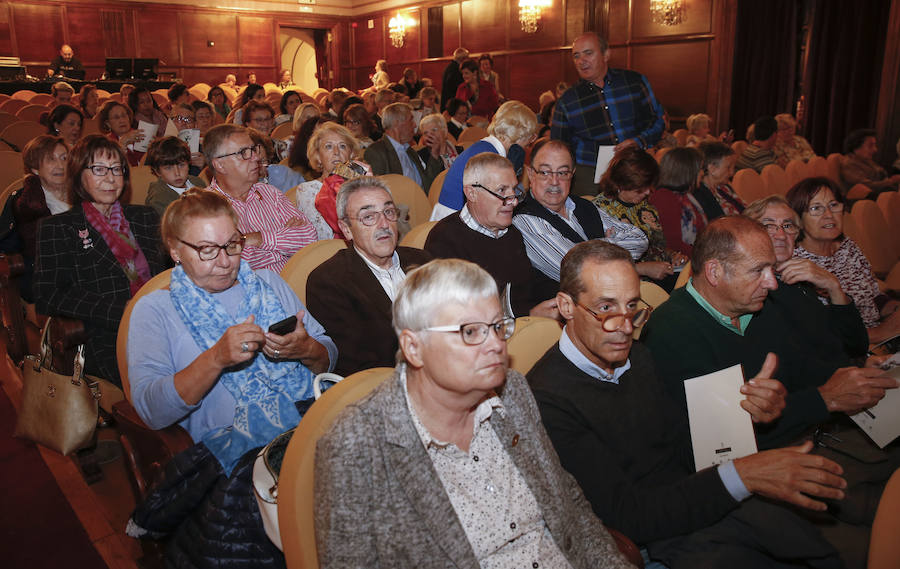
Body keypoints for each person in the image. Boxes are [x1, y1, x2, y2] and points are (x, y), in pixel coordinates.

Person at [528, 240, 849, 569]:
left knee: (816, 551)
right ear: (566, 306)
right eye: (606, 309)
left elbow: (682, 444)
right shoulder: (547, 398)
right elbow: (627, 516)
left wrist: (746, 414)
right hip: (653, 536)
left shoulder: (637, 355)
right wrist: (742, 475)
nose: (625, 326)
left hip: (697, 498)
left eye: (632, 307)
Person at [314, 257, 635, 569]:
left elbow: (567, 503)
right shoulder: (355, 444)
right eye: (470, 332)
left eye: (497, 326)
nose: (496, 344)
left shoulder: (514, 393)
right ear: (414, 347)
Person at [126, 188, 336, 568]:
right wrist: (215, 359)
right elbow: (152, 410)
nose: (224, 262)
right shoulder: (154, 309)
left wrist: (304, 349)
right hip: (235, 459)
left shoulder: (269, 284)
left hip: (309, 427)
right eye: (207, 250)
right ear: (175, 249)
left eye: (232, 245)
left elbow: (327, 355)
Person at [34, 135, 165, 385]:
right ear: (78, 175)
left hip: (162, 320)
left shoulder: (144, 217)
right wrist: (122, 311)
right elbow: (48, 294)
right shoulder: (59, 227)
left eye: (117, 169)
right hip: (107, 334)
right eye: (99, 169)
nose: (110, 178)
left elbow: (168, 271)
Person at [306, 177, 431, 375]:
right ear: (346, 229)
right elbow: (358, 367)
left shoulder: (423, 261)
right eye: (369, 217)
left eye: (388, 212)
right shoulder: (329, 282)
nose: (384, 224)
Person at [425, 153, 559, 318]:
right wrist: (529, 315)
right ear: (472, 193)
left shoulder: (511, 233)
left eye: (514, 190)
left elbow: (527, 286)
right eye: (502, 190)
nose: (514, 202)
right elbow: (460, 315)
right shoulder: (445, 240)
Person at [512, 139, 649, 293]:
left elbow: (639, 239)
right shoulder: (524, 219)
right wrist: (608, 241)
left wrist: (589, 248)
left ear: (572, 175)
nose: (555, 181)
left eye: (563, 173)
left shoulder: (584, 205)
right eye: (545, 172)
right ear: (531, 174)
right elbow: (575, 272)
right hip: (566, 311)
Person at [743, 195, 868, 362]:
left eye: (787, 226)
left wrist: (834, 288)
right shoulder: (751, 290)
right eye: (768, 226)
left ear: (796, 236)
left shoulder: (800, 281)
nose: (781, 235)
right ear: (746, 235)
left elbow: (856, 346)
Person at [788, 177, 900, 344]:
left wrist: (894, 308)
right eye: (816, 208)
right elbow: (819, 335)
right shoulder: (797, 265)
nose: (828, 215)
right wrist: (879, 333)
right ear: (798, 220)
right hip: (849, 351)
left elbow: (872, 297)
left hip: (880, 339)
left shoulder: (847, 247)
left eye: (833, 205)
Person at [552, 32, 665, 196]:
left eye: (588, 53)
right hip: (589, 175)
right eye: (576, 56)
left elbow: (658, 121)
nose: (581, 61)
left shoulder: (634, 82)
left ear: (606, 54)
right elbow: (559, 147)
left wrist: (638, 141)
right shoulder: (568, 100)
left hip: (634, 167)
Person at [204, 124, 315, 272]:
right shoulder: (204, 208)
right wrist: (283, 245)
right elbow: (233, 262)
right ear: (220, 165)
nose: (256, 157)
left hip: (294, 286)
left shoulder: (269, 192)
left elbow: (309, 236)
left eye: (254, 149)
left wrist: (258, 238)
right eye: (244, 152)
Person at [593, 146, 689, 289]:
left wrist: (672, 256)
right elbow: (597, 264)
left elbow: (657, 246)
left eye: (649, 187)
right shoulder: (599, 211)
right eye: (640, 189)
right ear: (621, 183)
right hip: (626, 284)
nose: (647, 192)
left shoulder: (645, 207)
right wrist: (643, 268)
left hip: (660, 276)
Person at [432, 100, 537, 220]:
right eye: (529, 138)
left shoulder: (486, 146)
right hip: (455, 223)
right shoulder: (490, 158)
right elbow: (498, 207)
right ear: (521, 134)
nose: (528, 144)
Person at [10, 135, 72, 301]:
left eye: (64, 158)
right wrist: (31, 181)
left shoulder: (82, 192)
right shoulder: (28, 200)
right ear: (35, 168)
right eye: (51, 159)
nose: (60, 165)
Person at [295, 122, 366, 240]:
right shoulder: (308, 190)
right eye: (328, 146)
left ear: (351, 154)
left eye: (342, 146)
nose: (336, 152)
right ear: (318, 156)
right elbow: (324, 236)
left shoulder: (362, 185)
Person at [364, 102, 444, 192]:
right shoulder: (377, 152)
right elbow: (375, 191)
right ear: (397, 123)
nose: (414, 125)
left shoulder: (410, 151)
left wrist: (434, 154)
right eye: (411, 120)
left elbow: (428, 185)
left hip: (422, 202)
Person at [648, 146, 707, 256]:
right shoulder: (664, 198)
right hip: (681, 264)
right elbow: (673, 245)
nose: (702, 173)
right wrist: (706, 255)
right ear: (687, 172)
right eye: (700, 169)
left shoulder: (685, 195)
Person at [144, 136, 207, 217]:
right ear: (157, 171)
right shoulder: (158, 199)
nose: (177, 173)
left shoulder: (197, 182)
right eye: (168, 168)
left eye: (181, 165)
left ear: (189, 164)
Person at [839, 128, 900, 197]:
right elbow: (867, 186)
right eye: (870, 146)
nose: (875, 150)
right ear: (856, 147)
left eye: (875, 145)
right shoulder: (849, 164)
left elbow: (881, 174)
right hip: (863, 201)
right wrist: (891, 181)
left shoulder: (866, 160)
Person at [696, 141, 745, 218]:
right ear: (712, 168)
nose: (732, 173)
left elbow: (744, 210)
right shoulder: (701, 196)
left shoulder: (724, 188)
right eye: (728, 167)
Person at [98, 100, 145, 167]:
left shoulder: (141, 135)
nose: (122, 120)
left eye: (124, 116)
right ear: (108, 124)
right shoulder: (105, 144)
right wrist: (122, 143)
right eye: (116, 117)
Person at [441, 47, 469, 112]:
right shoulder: (455, 70)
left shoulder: (450, 67)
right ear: (463, 59)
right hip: (452, 105)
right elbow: (457, 88)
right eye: (467, 58)